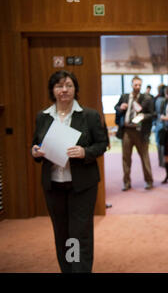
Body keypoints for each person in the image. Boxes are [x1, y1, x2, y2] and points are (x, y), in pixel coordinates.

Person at [31, 70, 108, 273]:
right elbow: (35, 145)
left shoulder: (89, 115)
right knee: (62, 233)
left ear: (75, 89)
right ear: (52, 90)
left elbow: (102, 144)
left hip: (82, 184)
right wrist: (35, 151)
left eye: (68, 85)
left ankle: (80, 271)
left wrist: (85, 152)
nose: (64, 90)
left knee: (80, 233)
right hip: (53, 184)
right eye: (59, 86)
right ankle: (67, 270)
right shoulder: (43, 116)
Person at [115, 76, 155, 191]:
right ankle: (126, 183)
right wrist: (120, 107)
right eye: (135, 85)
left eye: (139, 85)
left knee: (144, 157)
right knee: (126, 158)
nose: (137, 87)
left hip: (140, 131)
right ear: (131, 85)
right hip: (127, 130)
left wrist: (143, 116)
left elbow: (152, 114)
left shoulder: (146, 98)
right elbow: (116, 107)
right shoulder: (125, 96)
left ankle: (149, 181)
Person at [154, 84, 168, 168]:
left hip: (158, 123)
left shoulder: (157, 99)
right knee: (163, 144)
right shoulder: (163, 100)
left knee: (159, 143)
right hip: (162, 123)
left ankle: (161, 162)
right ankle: (163, 163)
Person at [159, 86, 168, 183]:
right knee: (166, 155)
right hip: (166, 130)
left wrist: (166, 118)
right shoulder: (165, 102)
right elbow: (161, 114)